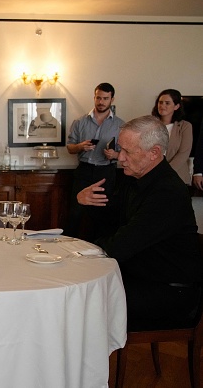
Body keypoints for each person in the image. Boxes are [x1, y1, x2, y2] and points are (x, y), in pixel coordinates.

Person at [78, 116, 201, 332]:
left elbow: (122, 245)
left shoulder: (167, 192)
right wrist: (88, 203)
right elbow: (113, 222)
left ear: (154, 152)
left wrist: (83, 251)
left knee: (82, 304)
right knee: (80, 294)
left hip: (170, 293)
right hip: (141, 277)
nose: (120, 158)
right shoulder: (134, 178)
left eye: (127, 151)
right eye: (120, 149)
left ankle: (86, 365)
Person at [65, 82, 124, 240]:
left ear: (112, 99)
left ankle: (100, 250)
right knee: (75, 212)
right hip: (84, 169)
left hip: (106, 171)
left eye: (105, 98)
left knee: (103, 212)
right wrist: (80, 146)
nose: (101, 102)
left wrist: (115, 155)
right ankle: (67, 247)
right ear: (94, 97)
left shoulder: (120, 125)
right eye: (98, 98)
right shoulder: (80, 122)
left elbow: (125, 153)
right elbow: (70, 148)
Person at [151, 89, 192, 184]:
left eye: (167, 103)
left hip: (176, 177)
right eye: (160, 102)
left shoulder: (185, 126)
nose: (162, 106)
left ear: (176, 106)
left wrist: (164, 172)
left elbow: (183, 153)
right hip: (152, 176)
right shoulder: (150, 124)